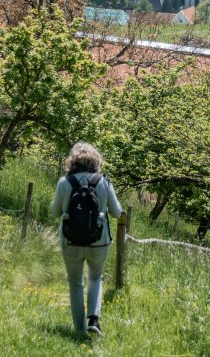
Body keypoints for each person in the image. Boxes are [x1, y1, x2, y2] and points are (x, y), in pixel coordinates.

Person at [50, 141, 123, 335]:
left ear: (72, 161)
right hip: (99, 241)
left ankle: (80, 331)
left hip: (70, 241)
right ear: (95, 160)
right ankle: (94, 319)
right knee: (96, 277)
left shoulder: (65, 182)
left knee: (75, 283)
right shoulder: (104, 181)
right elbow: (117, 213)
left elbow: (55, 212)